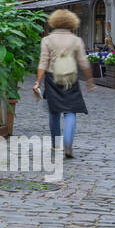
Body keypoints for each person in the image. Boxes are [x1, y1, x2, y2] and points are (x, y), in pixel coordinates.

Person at [33, 9, 95, 158]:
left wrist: (38, 82)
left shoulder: (47, 40)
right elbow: (83, 62)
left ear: (54, 22)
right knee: (70, 111)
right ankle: (68, 142)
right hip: (70, 78)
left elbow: (43, 62)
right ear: (71, 22)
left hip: (52, 78)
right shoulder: (76, 40)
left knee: (54, 112)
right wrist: (89, 80)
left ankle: (56, 144)